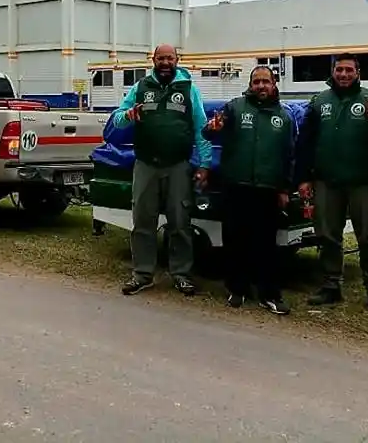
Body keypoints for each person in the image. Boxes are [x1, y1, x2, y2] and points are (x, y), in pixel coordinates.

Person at [297, 53, 368, 314]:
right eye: (339, 69)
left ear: (357, 72)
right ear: (333, 72)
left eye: (348, 70)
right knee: (328, 235)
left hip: (363, 182)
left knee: (367, 237)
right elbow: (305, 141)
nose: (343, 74)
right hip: (327, 181)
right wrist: (304, 177)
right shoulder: (319, 101)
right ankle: (331, 286)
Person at [112, 44, 212, 297]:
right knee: (143, 221)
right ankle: (142, 274)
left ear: (177, 60)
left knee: (180, 223)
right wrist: (128, 116)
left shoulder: (189, 89)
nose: (165, 62)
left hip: (178, 165)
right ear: (153, 60)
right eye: (161, 58)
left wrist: (205, 164)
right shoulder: (140, 87)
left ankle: (181, 274)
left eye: (170, 58)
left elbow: (201, 129)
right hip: (146, 164)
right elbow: (117, 119)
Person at [203, 65, 294, 315]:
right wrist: (213, 128)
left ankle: (269, 294)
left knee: (266, 244)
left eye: (266, 81)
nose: (261, 86)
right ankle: (237, 289)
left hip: (267, 189)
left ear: (274, 84)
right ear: (250, 85)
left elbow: (289, 156)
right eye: (256, 82)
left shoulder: (284, 117)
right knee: (235, 241)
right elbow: (208, 133)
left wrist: (284, 188)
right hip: (236, 186)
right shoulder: (235, 107)